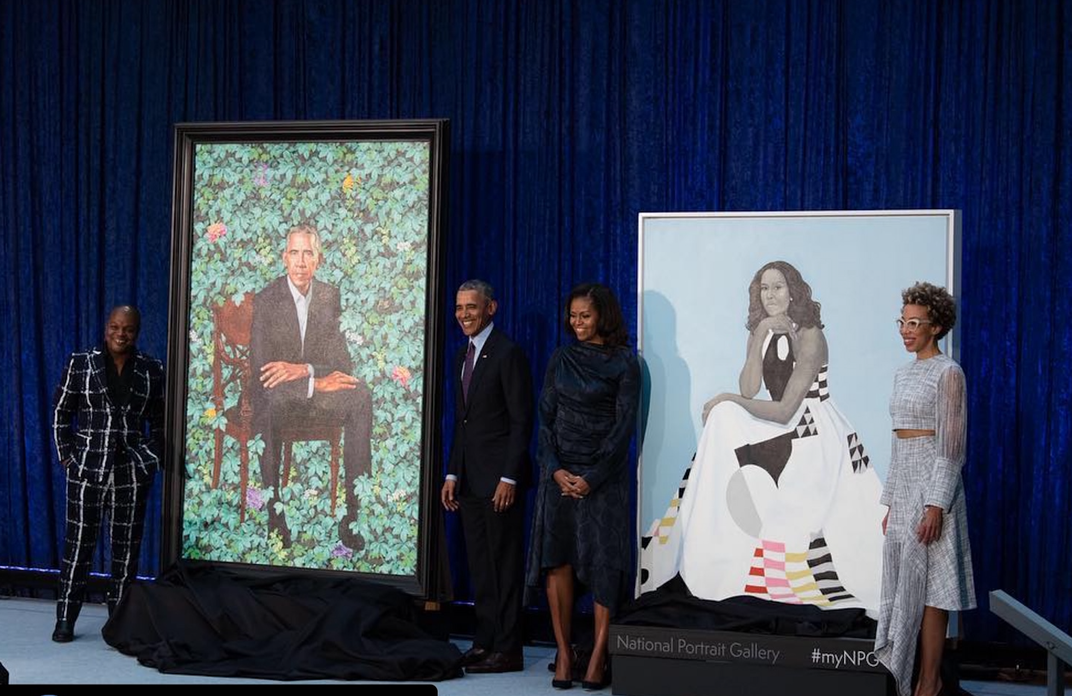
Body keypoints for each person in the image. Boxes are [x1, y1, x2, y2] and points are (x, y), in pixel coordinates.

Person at [641, 261, 885, 613]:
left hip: (812, 428)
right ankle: (710, 544)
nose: (770, 295)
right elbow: (750, 388)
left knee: (728, 409)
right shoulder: (763, 330)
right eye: (764, 288)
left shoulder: (811, 336)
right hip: (780, 423)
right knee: (725, 418)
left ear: (794, 291)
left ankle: (786, 564)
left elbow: (787, 409)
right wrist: (759, 336)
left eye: (778, 287)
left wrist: (728, 398)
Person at [526, 283, 640, 691]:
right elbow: (545, 420)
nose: (576, 323)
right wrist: (555, 470)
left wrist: (591, 477)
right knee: (558, 559)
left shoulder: (625, 364)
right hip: (558, 477)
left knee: (604, 562)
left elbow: (624, 427)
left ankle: (596, 657)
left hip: (603, 479)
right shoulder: (560, 358)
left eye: (584, 316)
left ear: (603, 317)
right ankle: (562, 652)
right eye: (572, 316)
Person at [875, 282, 975, 696]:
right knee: (905, 585)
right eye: (902, 321)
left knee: (934, 590)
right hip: (906, 485)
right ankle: (908, 674)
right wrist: (891, 501)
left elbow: (951, 447)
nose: (905, 330)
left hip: (935, 490)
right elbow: (899, 442)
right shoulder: (903, 373)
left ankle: (928, 682)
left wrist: (935, 504)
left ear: (935, 327)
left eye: (914, 322)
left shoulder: (949, 372)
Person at [249, 224, 372, 550]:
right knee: (271, 400)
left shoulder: (330, 296)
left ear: (318, 260)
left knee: (360, 396)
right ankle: (276, 520)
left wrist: (302, 370)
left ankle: (352, 517)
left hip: (312, 393)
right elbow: (262, 372)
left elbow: (341, 364)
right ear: (283, 258)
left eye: (308, 253)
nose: (301, 262)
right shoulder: (266, 299)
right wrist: (315, 382)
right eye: (294, 253)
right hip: (279, 397)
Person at [51, 305, 165, 642]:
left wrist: (148, 459)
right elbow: (61, 414)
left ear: (137, 332)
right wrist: (68, 460)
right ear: (106, 329)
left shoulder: (151, 369)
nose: (121, 333)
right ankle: (65, 620)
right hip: (86, 472)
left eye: (128, 329)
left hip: (130, 475)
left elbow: (160, 422)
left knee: (126, 553)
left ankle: (118, 624)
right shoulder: (80, 362)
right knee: (77, 549)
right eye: (115, 327)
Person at [441, 279, 534, 674]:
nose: (464, 314)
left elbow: (521, 420)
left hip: (499, 484)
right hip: (469, 482)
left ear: (491, 308)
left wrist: (509, 478)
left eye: (472, 307)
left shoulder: (507, 353)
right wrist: (451, 473)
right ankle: (485, 641)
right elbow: (463, 424)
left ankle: (508, 649)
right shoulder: (463, 353)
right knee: (481, 566)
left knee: (504, 567)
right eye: (460, 307)